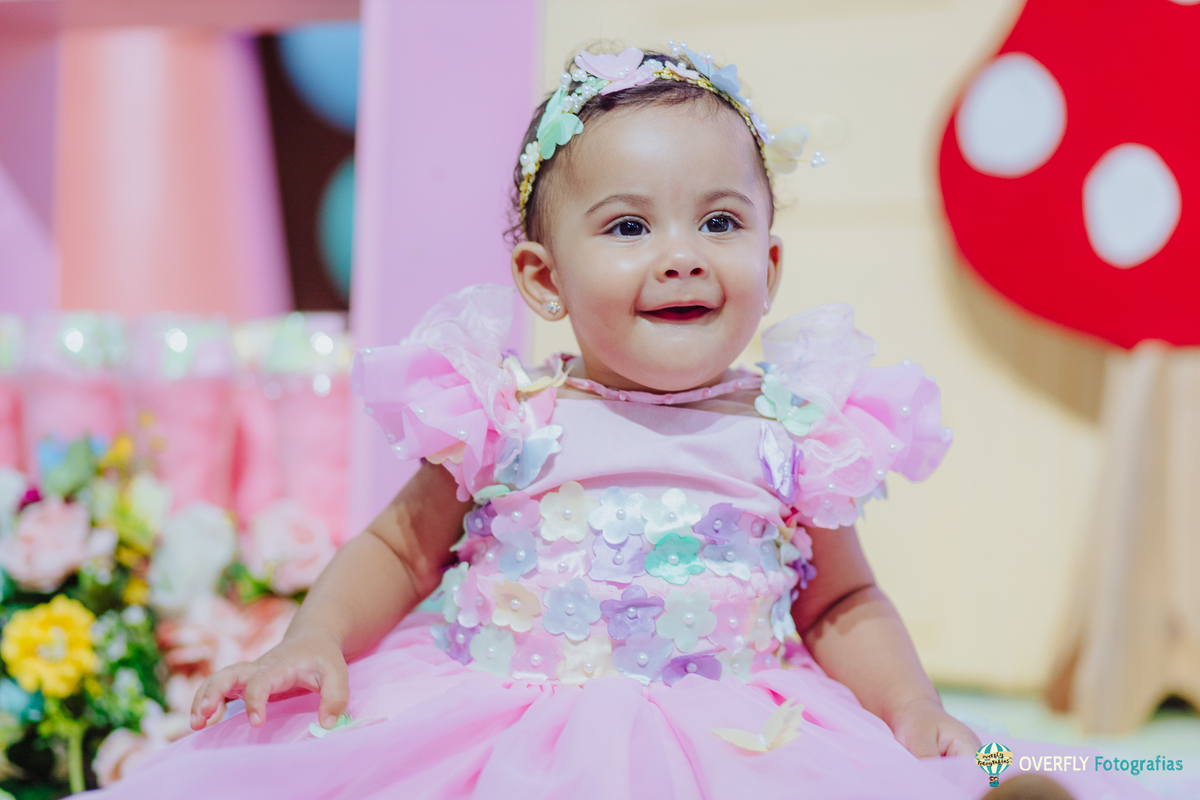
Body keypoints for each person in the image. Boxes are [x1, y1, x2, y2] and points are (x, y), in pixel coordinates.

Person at [93, 43, 1152, 799]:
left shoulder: (794, 431)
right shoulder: (506, 414)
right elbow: (398, 548)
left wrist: (912, 706)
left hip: (740, 726)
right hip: (502, 714)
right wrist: (317, 636)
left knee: (973, 778)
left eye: (722, 220)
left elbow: (844, 600)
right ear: (540, 278)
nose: (683, 251)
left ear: (770, 265)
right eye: (631, 225)